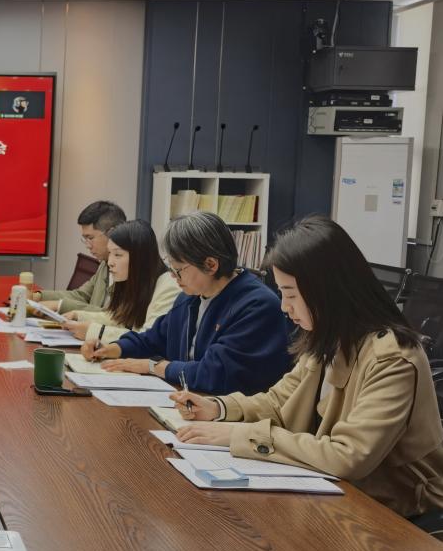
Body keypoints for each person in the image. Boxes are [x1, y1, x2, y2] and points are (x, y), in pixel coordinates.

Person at [171, 216, 443, 521]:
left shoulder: (392, 358)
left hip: (403, 514)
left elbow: (348, 455)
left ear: (327, 290)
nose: (284, 307)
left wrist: (239, 434)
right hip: (340, 494)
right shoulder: (328, 337)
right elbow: (278, 402)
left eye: (290, 294)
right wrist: (217, 408)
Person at [85, 211, 291, 395]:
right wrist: (112, 348)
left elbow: (215, 373)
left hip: (230, 414)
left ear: (210, 264)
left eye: (178, 270)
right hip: (188, 402)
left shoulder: (256, 306)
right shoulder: (190, 296)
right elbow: (153, 339)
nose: (173, 276)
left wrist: (153, 366)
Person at [62, 219, 179, 345]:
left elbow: (147, 339)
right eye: (110, 254)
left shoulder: (169, 286)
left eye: (117, 255)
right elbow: (118, 319)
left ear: (139, 257)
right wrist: (78, 316)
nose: (110, 262)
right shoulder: (136, 281)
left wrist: (95, 332)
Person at [37, 200, 126, 313]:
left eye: (90, 238)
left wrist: (60, 306)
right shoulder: (104, 263)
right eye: (85, 239)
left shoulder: (132, 270)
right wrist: (39, 296)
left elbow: (112, 316)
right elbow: (81, 295)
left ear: (112, 233)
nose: (88, 245)